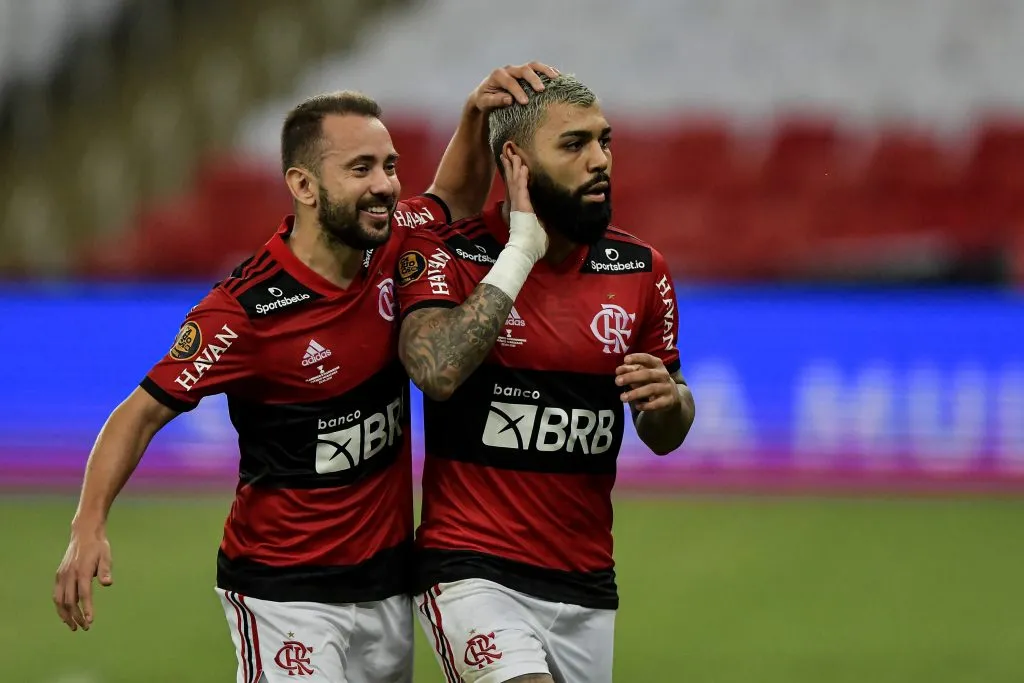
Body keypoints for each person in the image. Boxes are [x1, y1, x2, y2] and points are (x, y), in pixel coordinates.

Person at [52, 62, 559, 683]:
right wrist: (88, 523)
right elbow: (142, 412)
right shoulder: (244, 311)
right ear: (304, 185)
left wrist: (473, 116)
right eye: (361, 169)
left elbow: (451, 199)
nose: (385, 186)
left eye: (390, 165)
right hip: (285, 597)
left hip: (385, 588)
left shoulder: (394, 240)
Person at [394, 72, 696, 683]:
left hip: (585, 582)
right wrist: (521, 250)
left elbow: (665, 429)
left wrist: (671, 402)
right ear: (516, 161)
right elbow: (437, 371)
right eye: (574, 145)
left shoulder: (640, 269)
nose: (600, 160)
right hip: (471, 569)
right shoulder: (449, 255)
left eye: (604, 142)